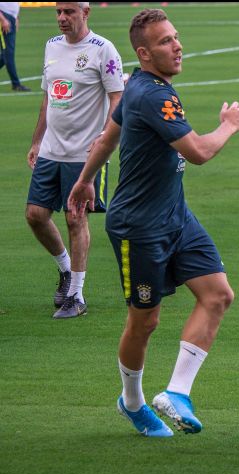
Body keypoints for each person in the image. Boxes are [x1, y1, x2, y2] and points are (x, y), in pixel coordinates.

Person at [68, 8, 239, 437]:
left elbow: (109, 136)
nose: (177, 45)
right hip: (139, 226)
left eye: (176, 37)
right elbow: (199, 152)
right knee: (145, 320)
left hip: (175, 215)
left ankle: (177, 393)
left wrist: (84, 181)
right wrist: (228, 126)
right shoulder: (153, 95)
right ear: (145, 53)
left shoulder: (137, 86)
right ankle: (132, 403)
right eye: (166, 41)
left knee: (218, 295)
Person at [26, 2, 123, 319]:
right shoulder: (51, 46)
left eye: (69, 11)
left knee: (74, 217)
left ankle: (77, 297)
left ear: (86, 12)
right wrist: (37, 140)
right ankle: (66, 270)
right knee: (35, 215)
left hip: (84, 153)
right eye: (58, 12)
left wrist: (105, 137)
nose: (62, 18)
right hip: (51, 150)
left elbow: (116, 98)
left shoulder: (102, 50)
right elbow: (48, 96)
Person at [0, 1, 30, 91]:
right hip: (4, 17)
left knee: (6, 54)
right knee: (8, 53)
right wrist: (3, 19)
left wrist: (16, 17)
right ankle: (16, 84)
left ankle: (16, 84)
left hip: (10, 18)